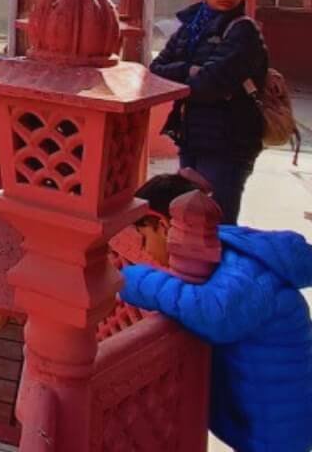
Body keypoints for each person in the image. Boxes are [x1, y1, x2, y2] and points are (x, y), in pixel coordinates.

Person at [121, 172, 312, 452]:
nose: (144, 249)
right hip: (266, 409)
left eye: (143, 237)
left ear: (163, 227)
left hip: (278, 421)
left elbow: (213, 314)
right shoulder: (226, 251)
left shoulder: (243, 271)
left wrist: (132, 280)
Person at [149, 0, 269, 224]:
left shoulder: (243, 31)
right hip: (191, 134)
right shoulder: (189, 28)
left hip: (229, 141)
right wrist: (189, 70)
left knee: (217, 223)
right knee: (186, 219)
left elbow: (210, 84)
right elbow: (155, 70)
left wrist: (185, 73)